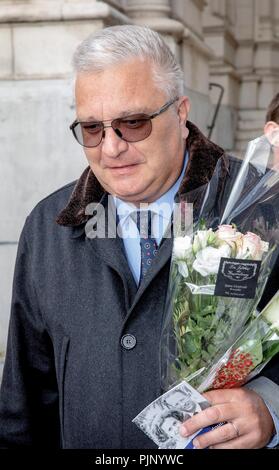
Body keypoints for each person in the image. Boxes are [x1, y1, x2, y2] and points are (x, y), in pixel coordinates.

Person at [0, 25, 278, 449]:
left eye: (133, 123)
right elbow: (24, 406)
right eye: (92, 129)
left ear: (181, 113)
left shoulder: (265, 206)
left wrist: (272, 409)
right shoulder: (47, 228)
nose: (111, 148)